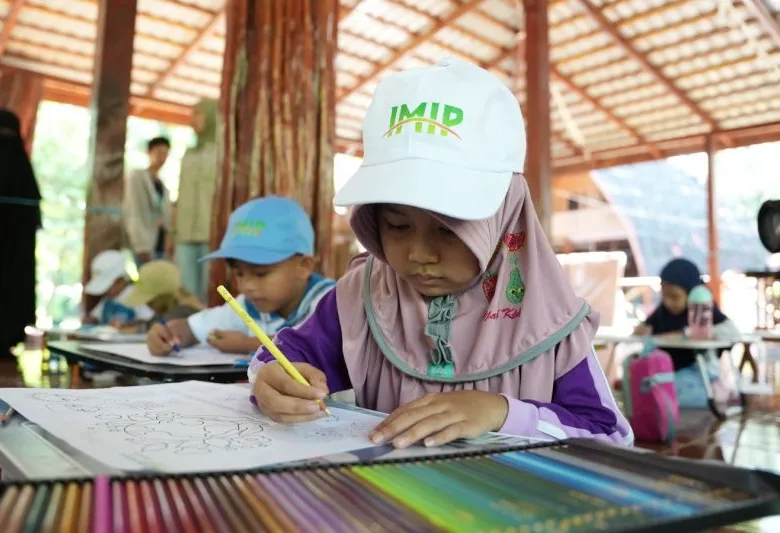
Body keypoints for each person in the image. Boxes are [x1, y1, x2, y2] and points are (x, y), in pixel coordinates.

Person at [248, 58, 633, 448]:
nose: (419, 254)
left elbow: (610, 437)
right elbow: (284, 356)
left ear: (504, 217)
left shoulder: (549, 320)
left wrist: (502, 413)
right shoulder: (361, 300)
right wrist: (272, 379)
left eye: (449, 230)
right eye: (397, 226)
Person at [147, 196, 335, 356]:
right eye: (239, 274)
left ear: (303, 266)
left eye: (260, 274)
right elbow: (193, 329)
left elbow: (318, 346)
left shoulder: (331, 302)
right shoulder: (249, 306)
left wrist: (247, 344)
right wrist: (168, 334)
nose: (247, 286)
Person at [633, 258, 741, 408]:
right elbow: (645, 327)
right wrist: (642, 329)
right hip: (669, 371)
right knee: (651, 389)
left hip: (698, 371)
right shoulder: (662, 311)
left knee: (664, 394)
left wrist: (688, 333)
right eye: (665, 296)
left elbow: (733, 331)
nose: (668, 302)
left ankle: (717, 392)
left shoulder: (701, 308)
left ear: (691, 292)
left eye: (675, 297)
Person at [0, 109, 41, 353]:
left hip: (11, 253)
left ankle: (6, 335)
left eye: (9, 134)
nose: (4, 139)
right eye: (0, 133)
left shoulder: (22, 174)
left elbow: (31, 216)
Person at [174, 99, 218, 304]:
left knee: (211, 291)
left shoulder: (222, 151)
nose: (192, 119)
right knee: (186, 294)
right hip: (185, 234)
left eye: (198, 113)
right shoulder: (189, 154)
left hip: (211, 234)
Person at [123, 136, 172, 266]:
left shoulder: (163, 185)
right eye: (159, 152)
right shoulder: (137, 177)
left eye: (165, 154)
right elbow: (134, 210)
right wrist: (140, 245)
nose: (162, 157)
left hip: (159, 243)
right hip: (143, 243)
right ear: (149, 152)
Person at [84, 250, 154, 327]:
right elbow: (94, 317)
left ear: (120, 281)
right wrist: (89, 321)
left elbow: (148, 321)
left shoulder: (135, 295)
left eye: (107, 288)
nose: (104, 292)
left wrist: (127, 327)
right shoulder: (107, 300)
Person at [121, 260, 204, 323]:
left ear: (161, 297)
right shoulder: (177, 307)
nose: (147, 305)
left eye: (150, 302)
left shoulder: (183, 314)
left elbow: (156, 326)